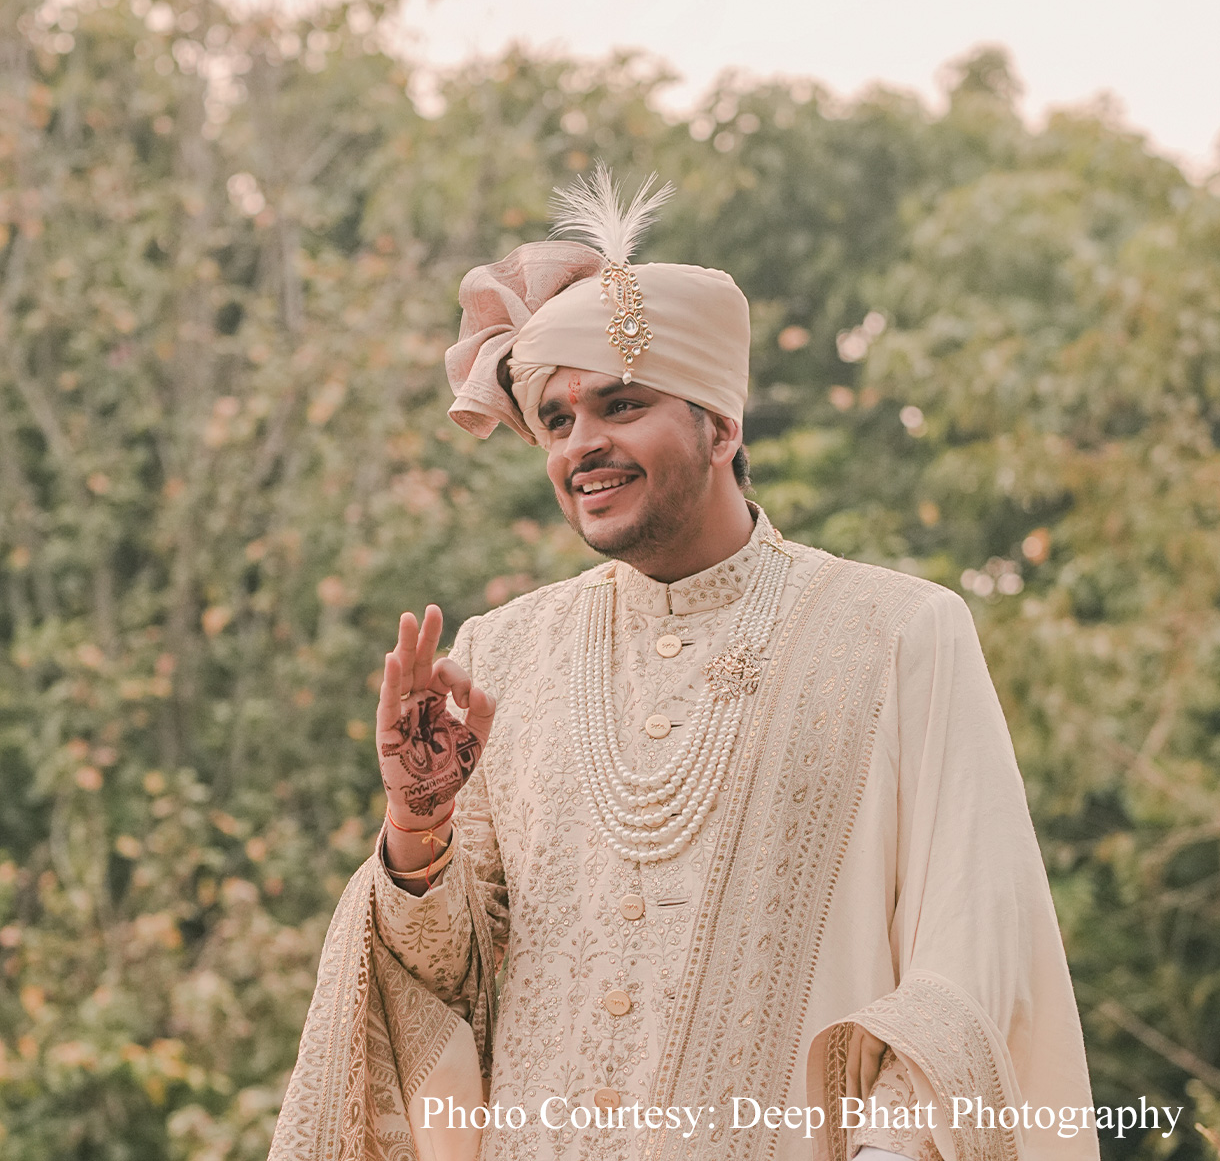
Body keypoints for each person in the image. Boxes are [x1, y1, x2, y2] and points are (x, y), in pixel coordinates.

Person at [270, 169, 1097, 1161]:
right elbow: (446, 984)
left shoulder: (900, 635)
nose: (584, 445)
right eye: (558, 420)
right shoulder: (499, 657)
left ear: (721, 424)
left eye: (620, 404)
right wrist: (416, 829)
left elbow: (970, 955)